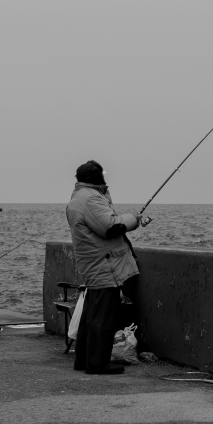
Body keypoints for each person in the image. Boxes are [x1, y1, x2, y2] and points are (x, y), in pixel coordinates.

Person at [65, 160, 143, 375]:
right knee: (103, 318)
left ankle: (83, 359)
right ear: (96, 177)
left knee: (91, 317)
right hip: (104, 264)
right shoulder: (90, 198)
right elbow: (110, 227)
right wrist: (134, 219)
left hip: (94, 262)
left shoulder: (79, 197)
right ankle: (97, 363)